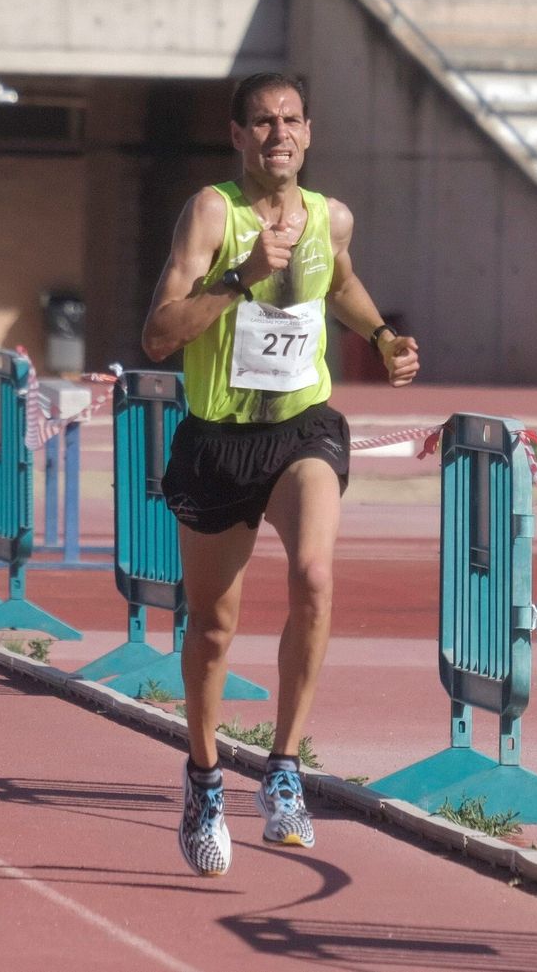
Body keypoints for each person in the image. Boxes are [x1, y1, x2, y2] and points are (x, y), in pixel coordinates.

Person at [141, 72, 420, 877]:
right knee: (215, 625)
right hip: (219, 440)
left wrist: (381, 334)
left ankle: (285, 767)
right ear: (237, 134)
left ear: (310, 130)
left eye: (292, 119)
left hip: (302, 426)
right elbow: (158, 334)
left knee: (315, 574)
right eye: (262, 122)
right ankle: (202, 777)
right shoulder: (211, 213)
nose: (279, 135)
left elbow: (338, 278)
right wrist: (237, 278)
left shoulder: (330, 216)